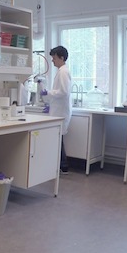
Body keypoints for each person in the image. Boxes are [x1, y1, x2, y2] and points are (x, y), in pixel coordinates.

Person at [42, 46, 72, 174]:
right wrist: (50, 104)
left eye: (54, 58)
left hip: (61, 111)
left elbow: (63, 92)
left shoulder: (63, 72)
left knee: (58, 139)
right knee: (58, 139)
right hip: (58, 109)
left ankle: (62, 166)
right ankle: (62, 166)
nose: (52, 60)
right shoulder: (61, 71)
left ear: (62, 58)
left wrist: (48, 93)